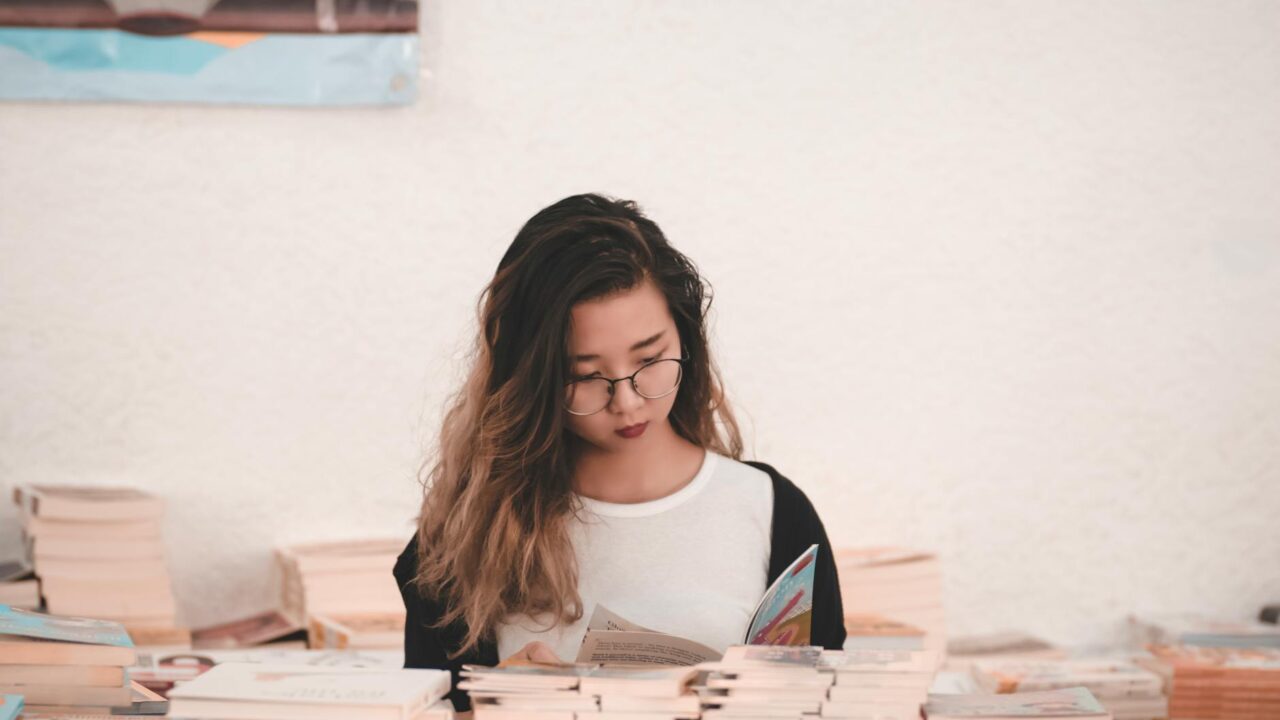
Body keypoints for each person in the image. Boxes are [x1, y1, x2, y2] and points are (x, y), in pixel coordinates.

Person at [393, 194, 845, 712]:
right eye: (585, 376)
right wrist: (491, 708)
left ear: (686, 337)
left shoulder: (774, 514)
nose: (627, 401)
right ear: (532, 379)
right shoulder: (463, 541)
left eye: (650, 358)